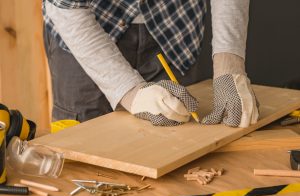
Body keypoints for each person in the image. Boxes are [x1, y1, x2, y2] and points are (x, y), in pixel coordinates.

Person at [42, 0, 259, 127]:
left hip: (175, 31)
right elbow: (66, 7)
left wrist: (229, 64)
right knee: (82, 157)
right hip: (84, 37)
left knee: (180, 151)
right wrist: (130, 92)